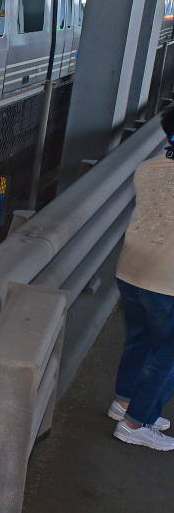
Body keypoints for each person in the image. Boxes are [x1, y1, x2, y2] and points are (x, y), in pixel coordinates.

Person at [109, 105, 174, 450]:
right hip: (167, 283)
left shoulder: (146, 169)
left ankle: (125, 403)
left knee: (140, 339)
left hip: (130, 272)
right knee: (167, 354)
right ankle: (136, 423)